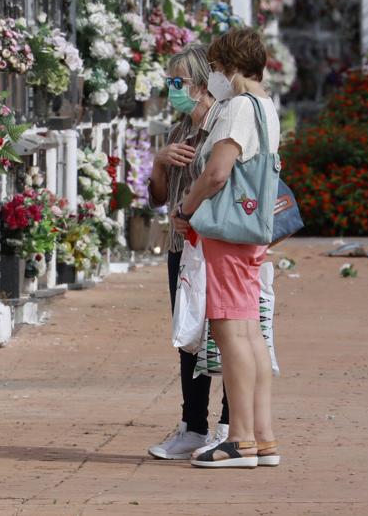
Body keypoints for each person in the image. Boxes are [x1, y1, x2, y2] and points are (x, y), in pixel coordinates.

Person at [172, 28, 282, 469]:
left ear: (231, 67)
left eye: (216, 67)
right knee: (251, 330)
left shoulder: (238, 106)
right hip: (252, 229)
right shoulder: (267, 107)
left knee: (230, 330)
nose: (214, 75)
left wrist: (187, 205)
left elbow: (218, 172)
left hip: (227, 231)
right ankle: (262, 435)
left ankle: (238, 439)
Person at [146, 43, 230, 460]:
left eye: (178, 82)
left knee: (228, 334)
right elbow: (158, 198)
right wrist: (160, 164)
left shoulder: (222, 125)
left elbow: (224, 181)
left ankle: (230, 424)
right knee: (189, 336)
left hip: (216, 245)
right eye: (169, 82)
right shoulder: (179, 129)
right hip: (181, 247)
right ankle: (192, 424)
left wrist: (192, 209)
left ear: (201, 84)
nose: (172, 89)